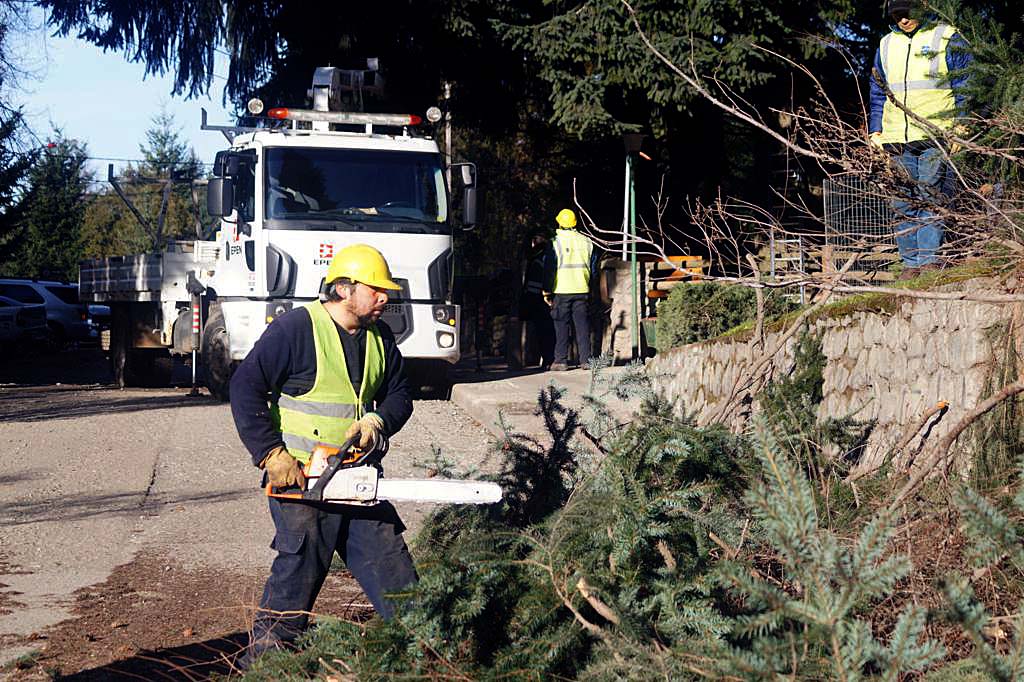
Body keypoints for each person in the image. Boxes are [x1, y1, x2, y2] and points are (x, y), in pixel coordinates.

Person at [229, 243, 416, 668]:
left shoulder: (380, 337)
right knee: (298, 573)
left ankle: (424, 656)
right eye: (377, 290)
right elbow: (245, 388)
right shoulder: (295, 329)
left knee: (393, 569)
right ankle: (266, 670)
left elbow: (401, 393)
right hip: (301, 482)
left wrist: (377, 423)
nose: (386, 298)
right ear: (345, 289)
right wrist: (269, 454)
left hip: (357, 479)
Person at [868, 0, 971, 278]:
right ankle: (910, 265)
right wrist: (875, 129)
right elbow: (878, 91)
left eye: (909, 14)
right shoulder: (886, 44)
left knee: (931, 197)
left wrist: (962, 124)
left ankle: (929, 261)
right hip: (896, 138)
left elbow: (965, 84)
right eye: (898, 15)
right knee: (902, 202)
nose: (904, 20)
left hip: (935, 135)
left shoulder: (946, 36)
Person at [543, 208, 599, 371]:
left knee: (561, 326)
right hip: (582, 289)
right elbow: (594, 268)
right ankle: (586, 360)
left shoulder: (555, 242)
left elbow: (549, 269)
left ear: (559, 222)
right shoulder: (587, 241)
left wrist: (547, 290)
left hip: (561, 290)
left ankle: (560, 361)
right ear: (575, 223)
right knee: (582, 326)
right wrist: (591, 287)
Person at [519, 232, 555, 368]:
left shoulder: (536, 259)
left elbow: (533, 284)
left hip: (539, 300)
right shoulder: (548, 256)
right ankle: (548, 358)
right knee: (548, 331)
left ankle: (547, 359)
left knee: (543, 332)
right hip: (546, 299)